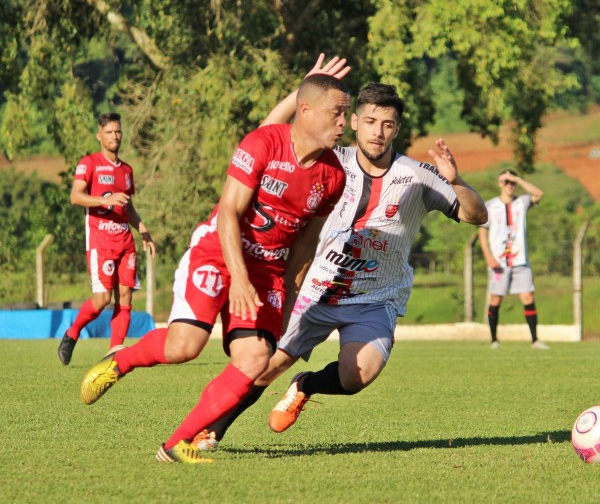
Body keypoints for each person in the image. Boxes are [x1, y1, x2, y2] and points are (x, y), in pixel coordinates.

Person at [191, 75, 488, 452]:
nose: (378, 132)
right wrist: (297, 94)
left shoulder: (418, 176)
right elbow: (267, 138)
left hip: (375, 297)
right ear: (353, 122)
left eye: (387, 124)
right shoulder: (330, 162)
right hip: (315, 289)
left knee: (358, 374)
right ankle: (211, 431)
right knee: (264, 367)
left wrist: (457, 180)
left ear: (397, 128)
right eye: (369, 122)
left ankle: (306, 385)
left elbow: (477, 215)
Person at [79, 63, 351, 464]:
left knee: (256, 359)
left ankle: (177, 444)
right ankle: (119, 361)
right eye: (338, 112)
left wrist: (290, 293)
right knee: (183, 347)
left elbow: (307, 241)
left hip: (268, 272)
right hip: (218, 252)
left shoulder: (334, 176)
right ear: (305, 111)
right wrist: (238, 278)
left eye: (346, 113)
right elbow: (228, 212)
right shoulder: (264, 143)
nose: (345, 123)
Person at [58, 113, 156, 366]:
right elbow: (75, 196)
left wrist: (143, 230)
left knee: (125, 298)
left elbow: (128, 206)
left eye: (118, 131)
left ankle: (114, 355)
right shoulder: (89, 163)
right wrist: (105, 200)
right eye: (110, 132)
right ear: (99, 135)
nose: (115, 136)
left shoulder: (126, 170)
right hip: (100, 241)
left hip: (125, 241)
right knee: (102, 299)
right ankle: (71, 334)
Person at [478, 169, 545, 349]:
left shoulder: (522, 202)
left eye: (512, 182)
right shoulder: (490, 205)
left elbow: (539, 194)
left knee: (528, 296)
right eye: (506, 182)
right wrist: (488, 257)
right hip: (499, 262)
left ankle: (535, 340)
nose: (509, 185)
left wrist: (517, 178)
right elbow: (482, 232)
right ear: (500, 183)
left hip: (520, 260)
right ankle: (494, 340)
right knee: (495, 300)